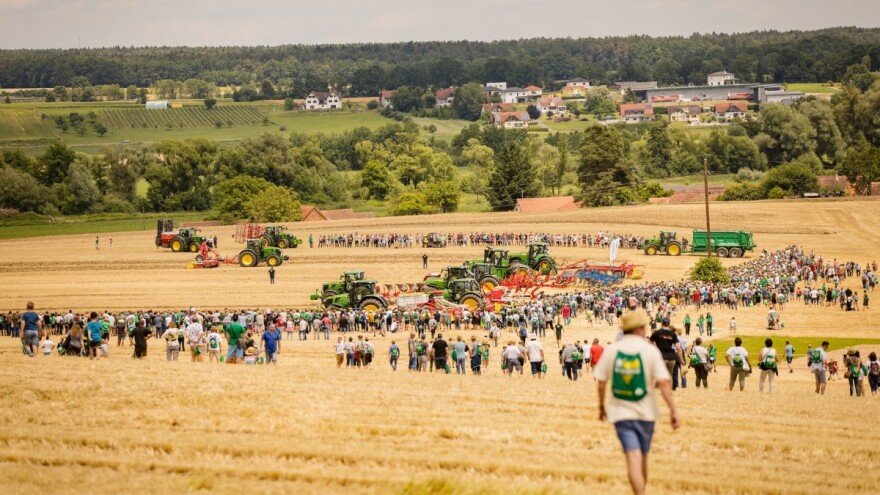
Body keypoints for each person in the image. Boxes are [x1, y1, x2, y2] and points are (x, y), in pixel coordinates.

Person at [595, 311, 679, 495]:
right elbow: (664, 382)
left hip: (621, 413)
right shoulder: (650, 350)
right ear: (639, 329)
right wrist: (673, 410)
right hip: (646, 412)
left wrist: (601, 407)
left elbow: (601, 382)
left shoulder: (613, 350)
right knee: (643, 457)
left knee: (633, 457)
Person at [649, 321, 682, 390]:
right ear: (669, 324)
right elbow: (678, 348)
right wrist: (681, 359)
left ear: (661, 324)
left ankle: (657, 390)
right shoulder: (672, 334)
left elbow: (649, 342)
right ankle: (669, 391)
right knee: (669, 377)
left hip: (661, 357)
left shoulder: (657, 333)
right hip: (671, 358)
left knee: (659, 375)